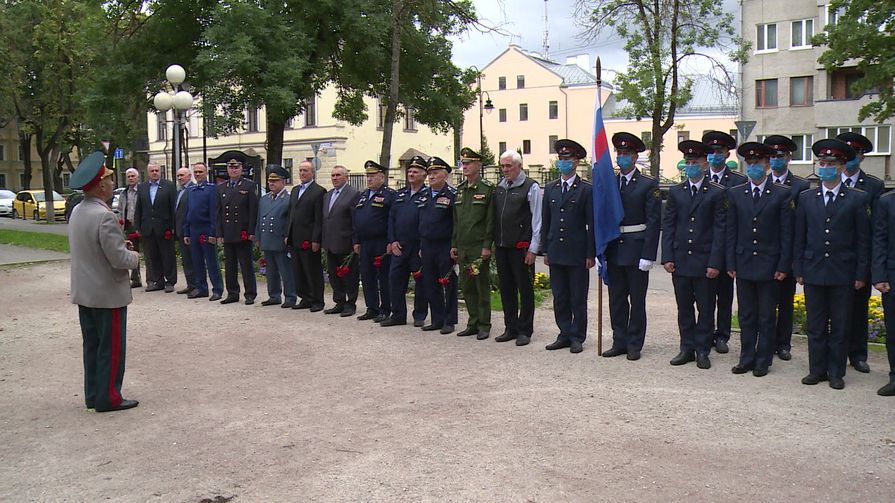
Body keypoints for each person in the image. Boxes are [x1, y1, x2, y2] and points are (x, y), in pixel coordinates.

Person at [794, 139, 870, 390]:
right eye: (821, 163)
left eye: (830, 164)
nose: (824, 167)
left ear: (840, 167)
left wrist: (860, 273)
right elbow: (800, 236)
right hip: (814, 270)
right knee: (815, 325)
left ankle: (836, 372)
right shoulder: (806, 197)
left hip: (843, 272)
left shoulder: (857, 199)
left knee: (840, 325)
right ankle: (817, 369)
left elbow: (862, 240)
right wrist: (799, 268)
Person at [68, 151, 140, 412]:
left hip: (85, 291)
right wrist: (134, 256)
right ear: (100, 185)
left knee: (93, 346)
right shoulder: (104, 215)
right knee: (110, 349)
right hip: (107, 293)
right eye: (110, 180)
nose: (112, 184)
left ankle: (93, 394)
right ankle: (109, 397)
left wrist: (120, 246)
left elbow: (92, 248)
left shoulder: (78, 210)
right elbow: (119, 259)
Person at [725, 142, 793, 377]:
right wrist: (730, 263)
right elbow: (731, 231)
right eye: (750, 163)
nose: (754, 167)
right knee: (746, 314)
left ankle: (763, 360)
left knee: (766, 315)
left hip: (769, 264)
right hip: (743, 263)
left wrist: (784, 265)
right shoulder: (735, 193)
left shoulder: (781, 193)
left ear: (767, 165)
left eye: (758, 163)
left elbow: (786, 233)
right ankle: (746, 357)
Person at [662, 140, 726, 369]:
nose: (690, 166)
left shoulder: (717, 193)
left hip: (704, 260)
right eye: (687, 162)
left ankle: (702, 349)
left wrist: (715, 262)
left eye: (694, 162)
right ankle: (686, 347)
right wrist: (667, 257)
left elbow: (720, 230)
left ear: (704, 165)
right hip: (681, 259)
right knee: (684, 307)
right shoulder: (677, 192)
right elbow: (668, 226)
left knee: (706, 307)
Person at [602, 133, 661, 360]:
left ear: (636, 157)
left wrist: (649, 254)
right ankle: (619, 340)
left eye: (627, 154)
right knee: (617, 299)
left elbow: (653, 221)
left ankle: (635, 343)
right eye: (620, 153)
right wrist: (601, 249)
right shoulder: (609, 183)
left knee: (637, 300)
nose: (622, 157)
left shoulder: (648, 184)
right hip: (614, 248)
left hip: (637, 249)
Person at [541, 139, 595, 354]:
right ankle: (563, 332)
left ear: (576, 162)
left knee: (577, 297)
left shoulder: (585, 190)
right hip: (556, 251)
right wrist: (545, 249)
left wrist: (591, 253)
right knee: (560, 296)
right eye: (561, 158)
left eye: (568, 159)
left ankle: (577, 336)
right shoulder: (551, 188)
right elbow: (546, 221)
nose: (563, 162)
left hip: (577, 252)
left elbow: (591, 224)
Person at [837, 132, 884, 375]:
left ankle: (857, 354)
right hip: (833, 259)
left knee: (857, 310)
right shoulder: (831, 181)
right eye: (845, 155)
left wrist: (870, 267)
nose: (848, 160)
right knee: (834, 312)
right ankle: (835, 355)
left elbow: (876, 228)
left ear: (861, 158)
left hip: (858, 258)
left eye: (853, 155)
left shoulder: (873, 186)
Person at [763, 135, 810, 361]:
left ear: (789, 157)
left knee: (785, 301)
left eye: (779, 156)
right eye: (771, 156)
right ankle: (767, 341)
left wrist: (794, 258)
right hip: (765, 252)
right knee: (766, 302)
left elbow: (801, 225)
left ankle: (783, 344)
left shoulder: (800, 185)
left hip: (789, 251)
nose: (775, 160)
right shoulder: (762, 181)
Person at [702, 131, 747, 355]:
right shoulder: (701, 178)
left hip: (728, 245)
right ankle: (706, 333)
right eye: (711, 152)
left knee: (725, 295)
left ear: (727, 154)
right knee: (705, 295)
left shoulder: (738, 181)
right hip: (704, 247)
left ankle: (723, 335)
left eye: (719, 152)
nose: (714, 156)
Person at [493, 150, 542, 346]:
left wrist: (533, 248)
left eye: (508, 166)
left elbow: (537, 219)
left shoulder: (531, 187)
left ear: (519, 166)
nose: (505, 170)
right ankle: (510, 327)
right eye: (502, 166)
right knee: (506, 288)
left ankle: (525, 330)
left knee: (525, 288)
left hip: (521, 247)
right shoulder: (501, 187)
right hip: (502, 245)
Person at [452, 147, 496, 340]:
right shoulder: (460, 190)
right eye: (463, 163)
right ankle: (473, 322)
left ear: (478, 165)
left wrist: (487, 245)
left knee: (480, 285)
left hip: (478, 248)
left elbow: (490, 220)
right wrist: (454, 244)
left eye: (469, 163)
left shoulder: (487, 189)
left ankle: (484, 324)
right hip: (463, 247)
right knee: (467, 285)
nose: (465, 166)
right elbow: (456, 221)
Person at [382, 155, 429, 327]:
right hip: (399, 247)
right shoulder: (400, 195)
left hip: (417, 247)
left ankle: (419, 315)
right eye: (409, 171)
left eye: (415, 171)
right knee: (395, 281)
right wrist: (392, 241)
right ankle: (398, 315)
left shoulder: (427, 195)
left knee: (421, 282)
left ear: (424, 175)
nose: (411, 174)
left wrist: (423, 245)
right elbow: (391, 219)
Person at [419, 156, 458, 334]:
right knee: (430, 283)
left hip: (444, 245)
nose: (431, 176)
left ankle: (449, 320)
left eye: (435, 173)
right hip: (427, 245)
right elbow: (421, 221)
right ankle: (437, 318)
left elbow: (456, 223)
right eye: (429, 173)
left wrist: (454, 246)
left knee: (448, 283)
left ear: (445, 175)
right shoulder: (425, 194)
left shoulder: (452, 195)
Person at [353, 160, 396, 322]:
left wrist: (390, 241)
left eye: (373, 176)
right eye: (368, 176)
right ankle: (372, 308)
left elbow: (392, 220)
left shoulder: (389, 195)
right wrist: (356, 240)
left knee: (383, 276)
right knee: (367, 276)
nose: (369, 179)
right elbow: (356, 219)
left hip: (381, 242)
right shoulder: (363, 195)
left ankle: (386, 309)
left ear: (382, 178)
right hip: (365, 243)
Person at [216, 158, 259, 305]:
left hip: (242, 231)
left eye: (236, 167)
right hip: (228, 232)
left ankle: (250, 294)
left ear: (241, 169)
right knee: (230, 265)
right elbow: (219, 213)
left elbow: (253, 210)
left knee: (246, 265)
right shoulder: (221, 187)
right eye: (231, 167)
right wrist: (220, 233)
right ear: (227, 169)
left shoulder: (249, 185)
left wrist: (251, 231)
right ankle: (232, 293)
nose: (233, 170)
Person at [287, 160, 326, 311]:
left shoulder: (318, 191)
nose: (302, 173)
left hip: (308, 239)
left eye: (306, 171)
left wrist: (316, 239)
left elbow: (318, 218)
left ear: (312, 173)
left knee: (312, 271)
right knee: (298, 270)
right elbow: (291, 214)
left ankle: (317, 300)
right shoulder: (295, 190)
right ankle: (305, 298)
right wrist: (287, 234)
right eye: (300, 171)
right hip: (295, 237)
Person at [322, 165, 360, 317]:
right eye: (333, 175)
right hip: (330, 242)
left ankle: (350, 303)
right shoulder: (328, 195)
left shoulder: (353, 194)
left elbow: (355, 220)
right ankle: (339, 301)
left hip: (346, 242)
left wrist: (355, 241)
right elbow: (326, 219)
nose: (335, 178)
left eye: (338, 175)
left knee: (349, 275)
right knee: (333, 274)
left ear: (346, 177)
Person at [182, 162, 224, 300]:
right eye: (196, 172)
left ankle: (217, 289)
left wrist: (213, 233)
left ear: (206, 173)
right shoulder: (191, 190)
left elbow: (214, 213)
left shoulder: (212, 189)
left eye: (200, 172)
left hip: (206, 228)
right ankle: (201, 288)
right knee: (197, 261)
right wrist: (187, 232)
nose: (198, 174)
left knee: (211, 261)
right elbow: (188, 212)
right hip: (193, 229)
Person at [134, 162, 178, 293]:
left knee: (167, 255)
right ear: (148, 172)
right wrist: (138, 225)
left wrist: (173, 227)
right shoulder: (142, 187)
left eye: (157, 170)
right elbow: (139, 208)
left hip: (164, 227)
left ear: (160, 172)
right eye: (152, 171)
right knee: (152, 256)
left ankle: (170, 281)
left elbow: (173, 208)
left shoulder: (169, 186)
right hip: (148, 227)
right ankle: (157, 281)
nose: (155, 173)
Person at [257, 165, 297, 308]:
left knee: (286, 271)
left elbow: (290, 221)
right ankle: (274, 295)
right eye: (270, 181)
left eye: (275, 181)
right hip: (267, 238)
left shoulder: (288, 199)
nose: (272, 184)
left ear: (283, 182)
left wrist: (288, 237)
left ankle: (290, 296)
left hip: (280, 239)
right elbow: (259, 218)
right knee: (271, 270)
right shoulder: (264, 199)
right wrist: (258, 236)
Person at [870, 190, 895, 396]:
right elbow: (879, 240)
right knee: (893, 331)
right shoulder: (887, 201)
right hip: (892, 278)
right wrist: (879, 276)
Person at [174, 166, 197, 296]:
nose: (180, 178)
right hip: (180, 230)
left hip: (190, 230)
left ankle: (197, 285)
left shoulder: (193, 189)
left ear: (189, 176)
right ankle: (190, 284)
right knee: (186, 260)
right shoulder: (179, 191)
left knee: (194, 259)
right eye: (178, 175)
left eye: (182, 175)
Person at [119, 168, 143, 288]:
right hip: (129, 226)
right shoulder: (123, 193)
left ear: (138, 178)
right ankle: (135, 278)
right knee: (132, 252)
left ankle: (153, 278)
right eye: (128, 176)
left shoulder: (142, 191)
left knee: (147, 253)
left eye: (133, 176)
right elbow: (120, 209)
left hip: (142, 225)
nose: (131, 178)